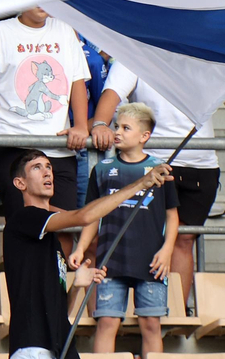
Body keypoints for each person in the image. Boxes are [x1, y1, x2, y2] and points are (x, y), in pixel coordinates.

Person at [89, 62, 225, 313]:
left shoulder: (201, 53)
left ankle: (177, 313)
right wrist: (100, 124)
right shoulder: (135, 49)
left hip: (200, 166)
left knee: (184, 239)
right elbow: (112, 92)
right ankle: (115, 315)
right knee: (135, 237)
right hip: (151, 165)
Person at [3, 150, 172, 359]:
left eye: (48, 167)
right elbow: (84, 217)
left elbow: (59, 310)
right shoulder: (23, 219)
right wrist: (140, 184)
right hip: (32, 347)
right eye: (37, 168)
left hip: (60, 347)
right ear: (20, 183)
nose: (47, 173)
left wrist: (77, 286)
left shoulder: (52, 242)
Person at [0, 7, 91, 223]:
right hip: (13, 146)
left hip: (60, 149)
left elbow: (77, 80)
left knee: (64, 229)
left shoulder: (65, 30)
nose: (42, 4)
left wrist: (81, 126)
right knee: (25, 223)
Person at [72, 102, 178, 357]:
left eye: (126, 128)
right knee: (107, 322)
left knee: (151, 324)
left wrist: (167, 251)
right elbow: (92, 217)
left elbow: (172, 216)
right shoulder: (102, 169)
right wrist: (81, 247)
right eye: (116, 126)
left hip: (151, 259)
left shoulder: (160, 170)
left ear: (144, 136)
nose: (117, 131)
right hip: (111, 259)